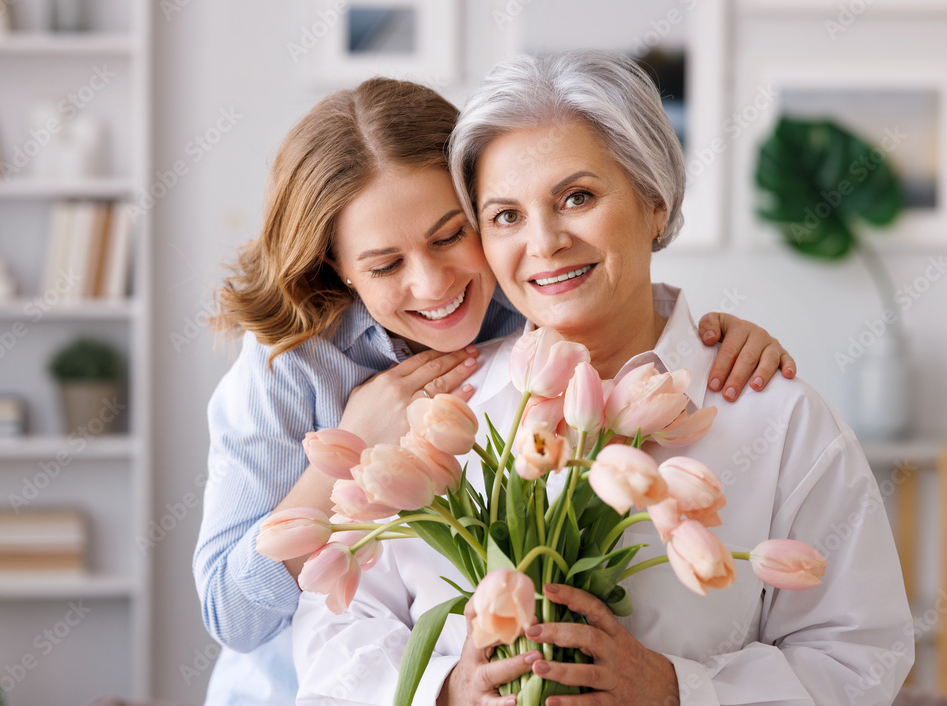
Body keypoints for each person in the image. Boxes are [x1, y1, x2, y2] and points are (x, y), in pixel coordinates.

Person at [292, 51, 913, 705]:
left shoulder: (779, 419)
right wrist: (447, 689)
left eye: (577, 197)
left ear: (654, 202)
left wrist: (676, 691)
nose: (546, 241)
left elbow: (861, 658)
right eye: (505, 216)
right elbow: (326, 640)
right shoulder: (438, 411)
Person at [194, 77, 796, 705]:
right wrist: (354, 449)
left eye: (451, 235)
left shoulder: (519, 314)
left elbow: (615, 295)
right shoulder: (290, 366)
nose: (433, 285)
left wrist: (707, 338)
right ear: (336, 267)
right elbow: (232, 616)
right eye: (385, 265)